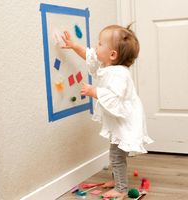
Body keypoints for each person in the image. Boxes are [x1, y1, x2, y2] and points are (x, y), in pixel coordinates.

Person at [61, 24, 153, 199]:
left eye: (100, 44)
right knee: (114, 152)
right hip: (119, 120)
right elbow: (90, 56)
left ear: (112, 55)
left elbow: (114, 97)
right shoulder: (108, 67)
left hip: (126, 121)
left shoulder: (119, 74)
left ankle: (121, 188)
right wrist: (74, 46)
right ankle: (117, 179)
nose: (96, 47)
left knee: (117, 156)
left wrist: (93, 91)